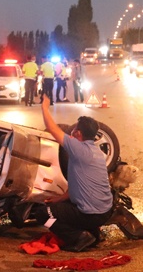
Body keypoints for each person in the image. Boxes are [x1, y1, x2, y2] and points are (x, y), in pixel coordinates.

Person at [34, 94, 113, 252]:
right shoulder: (97, 152)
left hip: (90, 214)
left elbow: (52, 128)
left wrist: (44, 107)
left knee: (43, 214)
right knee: (62, 207)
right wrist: (58, 199)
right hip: (105, 211)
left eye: (75, 128)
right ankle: (94, 234)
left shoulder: (77, 147)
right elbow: (78, 186)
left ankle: (78, 237)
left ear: (78, 134)